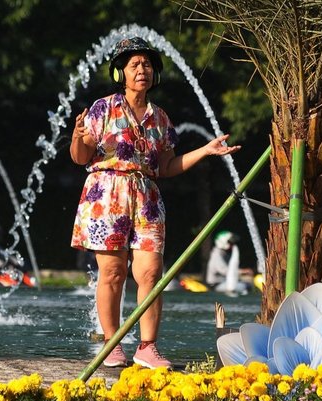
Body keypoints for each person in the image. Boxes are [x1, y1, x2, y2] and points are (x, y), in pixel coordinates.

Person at [70, 37, 240, 369]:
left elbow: (166, 166)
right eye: (134, 64)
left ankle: (147, 347)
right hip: (107, 194)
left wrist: (205, 151)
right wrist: (77, 135)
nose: (141, 70)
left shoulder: (160, 118)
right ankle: (111, 343)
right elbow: (80, 158)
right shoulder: (103, 109)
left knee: (150, 272)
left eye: (146, 64)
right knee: (114, 272)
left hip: (146, 197)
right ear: (121, 72)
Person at [205, 230, 252, 294]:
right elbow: (224, 271)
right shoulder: (216, 254)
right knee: (245, 286)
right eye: (230, 243)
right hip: (216, 285)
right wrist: (242, 271)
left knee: (247, 282)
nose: (232, 245)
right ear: (223, 242)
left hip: (224, 282)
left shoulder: (224, 253)